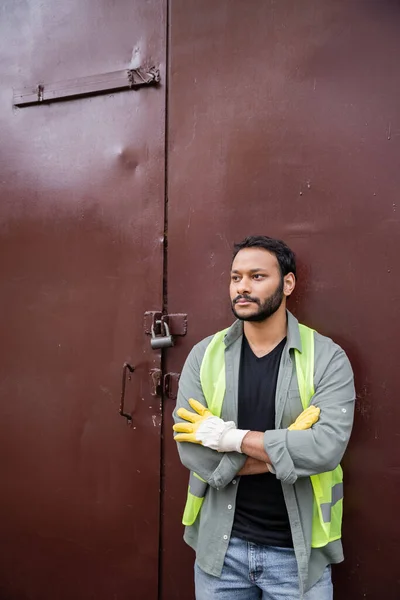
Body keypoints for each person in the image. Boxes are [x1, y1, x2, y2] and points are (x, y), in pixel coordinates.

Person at [173, 235, 355, 600]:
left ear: (287, 284)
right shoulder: (203, 356)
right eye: (235, 277)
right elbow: (192, 452)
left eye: (257, 277)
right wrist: (283, 446)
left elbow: (325, 448)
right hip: (220, 554)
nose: (242, 287)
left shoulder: (327, 359)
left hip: (297, 558)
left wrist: (230, 440)